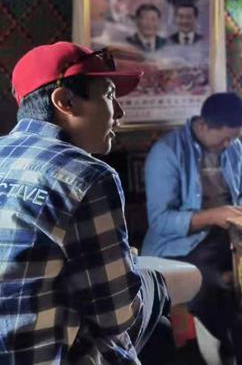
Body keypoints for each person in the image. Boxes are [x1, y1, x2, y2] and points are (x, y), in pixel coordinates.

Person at [0, 42, 173, 363]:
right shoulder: (89, 175)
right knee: (159, 289)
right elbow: (117, 316)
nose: (119, 112)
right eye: (109, 95)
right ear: (65, 101)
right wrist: (129, 265)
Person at [142, 92, 242, 362]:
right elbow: (160, 221)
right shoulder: (167, 153)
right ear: (203, 125)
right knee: (207, 285)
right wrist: (213, 216)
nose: (229, 145)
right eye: (224, 138)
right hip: (179, 245)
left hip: (227, 233)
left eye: (235, 138)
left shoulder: (233, 147)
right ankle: (232, 349)